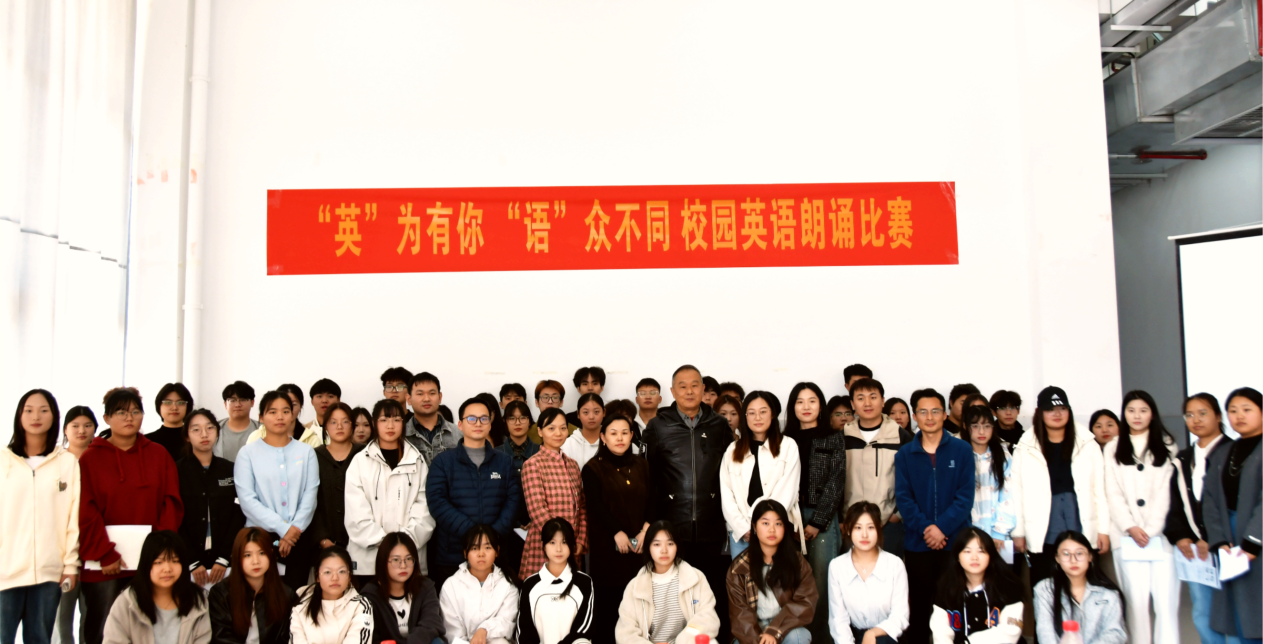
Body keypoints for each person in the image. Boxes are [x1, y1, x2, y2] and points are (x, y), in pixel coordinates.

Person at [80, 387, 184, 644]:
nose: (129, 417)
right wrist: (104, 553)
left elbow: (171, 502)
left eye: (135, 411)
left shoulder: (158, 454)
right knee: (102, 629)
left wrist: (159, 552)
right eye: (121, 412)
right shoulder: (90, 458)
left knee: (147, 628)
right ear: (106, 418)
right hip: (104, 564)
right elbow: (84, 510)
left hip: (150, 562)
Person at [644, 365, 733, 642]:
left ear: (704, 389)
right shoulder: (658, 426)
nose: (689, 391)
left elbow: (731, 471)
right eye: (682, 386)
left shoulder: (719, 425)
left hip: (711, 523)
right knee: (674, 596)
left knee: (712, 593)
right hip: (673, 527)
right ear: (672, 391)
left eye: (695, 385)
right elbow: (649, 476)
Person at [894, 388, 975, 644]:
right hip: (918, 544)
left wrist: (942, 529)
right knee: (919, 610)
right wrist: (927, 529)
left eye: (935, 411)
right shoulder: (904, 454)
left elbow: (965, 497)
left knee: (955, 608)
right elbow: (904, 499)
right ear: (915, 416)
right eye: (923, 411)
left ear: (945, 414)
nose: (929, 417)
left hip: (955, 543)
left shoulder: (962, 450)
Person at [1010, 386, 1110, 587]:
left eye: (1062, 408)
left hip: (1080, 519)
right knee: (1045, 584)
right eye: (1050, 409)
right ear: (1039, 413)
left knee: (1084, 584)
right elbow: (1017, 493)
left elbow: (1099, 490)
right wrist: (1018, 532)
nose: (1057, 414)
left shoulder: (1087, 443)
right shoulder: (1025, 446)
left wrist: (1103, 530)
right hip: (1042, 524)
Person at [1, 389, 80, 644]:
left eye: (44, 410)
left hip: (49, 572)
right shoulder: (2, 460)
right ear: (19, 416)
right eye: (29, 410)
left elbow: (73, 518)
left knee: (40, 639)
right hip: (5, 572)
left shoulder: (67, 462)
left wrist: (70, 565)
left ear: (54, 416)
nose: (36, 416)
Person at [1102, 390, 1178, 644]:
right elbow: (1112, 492)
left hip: (1161, 538)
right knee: (1136, 605)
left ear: (1152, 414)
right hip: (1127, 537)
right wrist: (1131, 526)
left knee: (1166, 604)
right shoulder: (1113, 447)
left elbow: (1169, 491)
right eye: (1131, 410)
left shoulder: (1167, 445)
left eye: (1143, 410)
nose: (1137, 416)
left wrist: (1152, 529)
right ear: (1124, 414)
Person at [426, 397, 522, 590]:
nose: (478, 423)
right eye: (471, 419)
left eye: (483, 419)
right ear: (460, 424)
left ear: (490, 424)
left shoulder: (505, 462)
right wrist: (474, 535)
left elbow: (513, 500)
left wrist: (490, 538)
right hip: (453, 555)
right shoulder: (443, 462)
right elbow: (437, 502)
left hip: (496, 554)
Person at [233, 391, 320, 591]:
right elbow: (247, 500)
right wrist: (284, 529)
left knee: (296, 595)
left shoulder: (306, 452)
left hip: (299, 536)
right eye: (272, 412)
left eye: (285, 411)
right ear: (261, 417)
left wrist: (293, 530)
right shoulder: (247, 453)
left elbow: (310, 495)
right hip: (259, 537)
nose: (280, 417)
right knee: (262, 595)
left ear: (293, 415)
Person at [1166, 392, 1234, 644]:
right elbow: (1174, 502)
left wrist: (1211, 538)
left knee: (1235, 611)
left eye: (1203, 413)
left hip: (1228, 545)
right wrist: (1182, 536)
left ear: (1218, 416)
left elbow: (1233, 504)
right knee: (1202, 611)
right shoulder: (1182, 458)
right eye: (1190, 415)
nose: (1196, 420)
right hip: (1195, 551)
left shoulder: (1233, 452)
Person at [345, 399, 435, 585]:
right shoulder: (360, 462)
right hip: (368, 562)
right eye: (384, 420)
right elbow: (356, 515)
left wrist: (402, 545)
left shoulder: (417, 461)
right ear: (374, 423)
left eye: (396, 419)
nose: (390, 425)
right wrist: (387, 544)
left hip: (408, 561)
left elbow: (425, 511)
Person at [782, 381, 845, 642]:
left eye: (812, 401)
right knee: (790, 583)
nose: (806, 406)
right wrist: (788, 522)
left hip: (823, 519)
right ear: (792, 407)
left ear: (821, 406)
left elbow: (836, 481)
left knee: (821, 583)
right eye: (799, 401)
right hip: (789, 518)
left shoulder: (833, 437)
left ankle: (820, 638)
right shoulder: (784, 439)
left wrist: (818, 521)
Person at [1202, 386, 1263, 643]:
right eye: (1233, 410)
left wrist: (1253, 541)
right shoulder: (1222, 452)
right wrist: (1218, 540)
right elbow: (1209, 499)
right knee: (1238, 613)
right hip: (1229, 538)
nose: (1239, 416)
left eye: (1247, 409)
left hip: (1256, 535)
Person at [582, 414, 651, 637]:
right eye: (613, 433)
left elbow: (654, 501)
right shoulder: (593, 468)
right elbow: (595, 506)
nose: (619, 438)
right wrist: (616, 531)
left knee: (640, 605)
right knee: (610, 607)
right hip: (607, 548)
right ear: (603, 437)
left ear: (631, 436)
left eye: (624, 433)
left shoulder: (643, 465)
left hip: (640, 546)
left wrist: (645, 531)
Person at [721, 391, 803, 559]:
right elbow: (726, 494)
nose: (757, 417)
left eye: (763, 411)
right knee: (743, 576)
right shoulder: (733, 450)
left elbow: (787, 491)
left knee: (779, 575)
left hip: (775, 531)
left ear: (772, 414)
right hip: (742, 533)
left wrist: (764, 525)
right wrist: (744, 528)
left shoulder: (788, 446)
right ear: (745, 417)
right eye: (751, 413)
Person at [615, 520, 720, 644]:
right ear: (648, 548)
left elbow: (707, 618)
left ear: (677, 546)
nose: (664, 550)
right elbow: (625, 633)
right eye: (657, 544)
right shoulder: (635, 586)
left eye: (670, 544)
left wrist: (682, 641)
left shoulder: (695, 577)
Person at [726, 500, 817, 644]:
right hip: (752, 633)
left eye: (778, 524)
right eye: (765, 523)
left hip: (785, 628)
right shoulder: (739, 568)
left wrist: (774, 631)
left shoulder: (797, 562)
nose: (772, 529)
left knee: (799, 636)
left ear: (785, 527)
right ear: (754, 526)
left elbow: (804, 602)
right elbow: (740, 615)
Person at [176, 409, 245, 589]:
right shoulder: (176, 471)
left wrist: (223, 557)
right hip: (188, 559)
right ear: (187, 436)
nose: (204, 434)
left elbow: (238, 514)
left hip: (225, 559)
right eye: (196, 429)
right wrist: (191, 560)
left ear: (217, 432)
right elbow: (174, 517)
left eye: (210, 428)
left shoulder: (230, 469)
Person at [844, 378, 912, 558]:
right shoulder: (843, 437)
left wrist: (898, 514)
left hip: (889, 523)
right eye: (860, 398)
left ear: (883, 401)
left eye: (873, 397)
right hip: (851, 522)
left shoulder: (900, 436)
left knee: (889, 571)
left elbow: (913, 480)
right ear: (852, 404)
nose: (867, 403)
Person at [102, 531, 210, 644]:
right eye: (159, 562)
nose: (167, 569)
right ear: (146, 564)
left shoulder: (198, 600)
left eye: (175, 561)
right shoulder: (127, 602)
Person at [519, 408, 588, 580]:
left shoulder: (572, 465)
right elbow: (537, 510)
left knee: (570, 593)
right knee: (541, 593)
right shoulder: (533, 464)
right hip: (545, 545)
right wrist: (560, 542)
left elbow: (581, 507)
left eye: (563, 428)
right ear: (540, 431)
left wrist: (580, 539)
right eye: (551, 428)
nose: (558, 433)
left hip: (572, 546)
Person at [827, 503, 909, 644]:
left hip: (886, 636)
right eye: (858, 528)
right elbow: (838, 619)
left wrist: (872, 633)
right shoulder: (837, 566)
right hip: (851, 637)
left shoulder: (895, 564)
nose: (864, 534)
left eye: (870, 527)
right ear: (848, 530)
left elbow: (900, 615)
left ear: (879, 529)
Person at [928, 527, 1025, 644]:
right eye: (967, 551)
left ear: (990, 555)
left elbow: (1011, 631)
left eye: (981, 551)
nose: (974, 557)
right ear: (957, 556)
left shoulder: (1009, 587)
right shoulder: (945, 589)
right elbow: (941, 633)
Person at [1032, 531, 1127, 644]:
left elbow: (1115, 633)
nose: (1073, 560)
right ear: (1057, 558)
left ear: (1090, 556)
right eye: (1066, 554)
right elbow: (1045, 632)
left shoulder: (1108, 594)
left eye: (1079, 553)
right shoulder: (1044, 590)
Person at [53, 406, 96, 644]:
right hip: (61, 549)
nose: (82, 431)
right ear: (65, 430)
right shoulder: (55, 462)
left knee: (91, 616)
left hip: (93, 546)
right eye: (75, 426)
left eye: (88, 425)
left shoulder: (101, 460)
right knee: (62, 615)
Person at [208, 527, 296, 644]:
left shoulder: (286, 594)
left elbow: (285, 638)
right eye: (247, 555)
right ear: (237, 557)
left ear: (271, 554)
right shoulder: (220, 593)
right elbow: (221, 638)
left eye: (262, 553)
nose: (256, 561)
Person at [517, 518, 595, 644]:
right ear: (543, 546)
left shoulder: (584, 582)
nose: (558, 549)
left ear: (572, 545)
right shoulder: (530, 584)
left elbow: (583, 630)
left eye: (564, 542)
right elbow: (524, 632)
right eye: (552, 542)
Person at [439, 525, 519, 644]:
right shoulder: (451, 585)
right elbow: (452, 631)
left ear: (497, 551)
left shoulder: (507, 585)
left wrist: (485, 630)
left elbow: (507, 622)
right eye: (474, 548)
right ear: (465, 553)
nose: (481, 553)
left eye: (487, 547)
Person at [359, 532, 444, 644]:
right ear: (383, 561)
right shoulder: (370, 595)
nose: (403, 566)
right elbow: (370, 636)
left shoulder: (425, 587)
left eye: (408, 559)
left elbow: (431, 623)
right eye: (396, 560)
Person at [289, 546, 374, 644]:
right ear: (317, 576)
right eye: (327, 572)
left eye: (341, 571)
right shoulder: (301, 606)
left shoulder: (361, 605)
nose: (335, 578)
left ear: (349, 575)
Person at [310, 403, 366, 553]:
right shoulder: (314, 456)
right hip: (325, 542)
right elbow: (309, 501)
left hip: (363, 541)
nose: (339, 426)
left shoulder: (364, 454)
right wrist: (322, 539)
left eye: (345, 421)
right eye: (333, 422)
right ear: (326, 426)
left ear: (352, 425)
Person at [962, 406, 1016, 555]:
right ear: (965, 426)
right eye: (975, 426)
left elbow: (1009, 495)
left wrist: (1000, 531)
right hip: (966, 534)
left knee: (999, 569)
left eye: (987, 426)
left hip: (998, 535)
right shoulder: (959, 456)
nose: (981, 432)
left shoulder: (1003, 456)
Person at [495, 399, 537, 580]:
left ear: (530, 421)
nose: (517, 422)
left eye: (522, 418)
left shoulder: (541, 452)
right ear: (505, 422)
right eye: (512, 418)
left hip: (537, 527)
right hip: (505, 528)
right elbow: (494, 495)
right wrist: (513, 521)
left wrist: (534, 519)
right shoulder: (495, 454)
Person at [404, 372, 461, 467]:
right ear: (409, 399)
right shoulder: (402, 436)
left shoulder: (459, 434)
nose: (426, 399)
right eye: (420, 394)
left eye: (432, 393)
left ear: (440, 397)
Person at [150, 383, 195, 462]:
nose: (174, 408)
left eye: (180, 403)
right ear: (159, 406)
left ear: (187, 407)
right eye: (168, 403)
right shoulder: (148, 441)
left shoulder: (195, 439)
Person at [215, 382, 258, 462]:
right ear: (225, 404)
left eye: (243, 399)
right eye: (232, 400)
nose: (238, 404)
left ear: (252, 402)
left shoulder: (263, 429)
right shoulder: (214, 429)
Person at [562, 393, 606, 470]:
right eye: (586, 412)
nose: (591, 417)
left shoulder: (612, 441)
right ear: (578, 414)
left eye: (596, 412)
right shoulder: (567, 445)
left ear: (604, 412)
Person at [527, 380, 578, 445]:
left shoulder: (576, 432)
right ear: (537, 402)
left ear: (561, 402)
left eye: (555, 397)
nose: (550, 401)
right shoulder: (527, 433)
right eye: (545, 397)